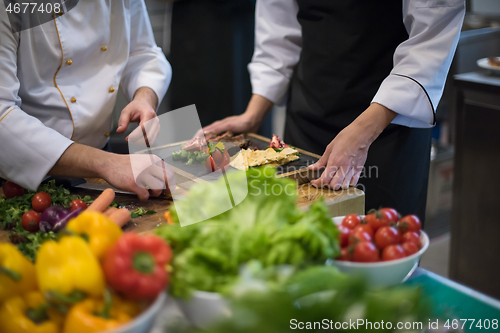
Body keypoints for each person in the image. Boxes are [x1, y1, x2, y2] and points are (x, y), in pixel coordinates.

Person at [203, 0, 466, 217]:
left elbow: (431, 37)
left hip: (387, 127)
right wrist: (253, 115)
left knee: (375, 260)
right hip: (307, 119)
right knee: (297, 244)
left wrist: (364, 132)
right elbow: (278, 36)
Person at [0, 0, 174, 201]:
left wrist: (145, 98)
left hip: (102, 170)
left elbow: (143, 53)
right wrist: (109, 164)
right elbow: (3, 116)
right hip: (21, 176)